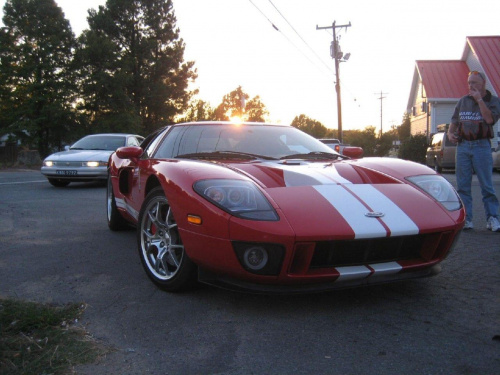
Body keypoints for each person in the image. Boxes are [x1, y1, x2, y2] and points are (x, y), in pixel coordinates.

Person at [447, 70, 500, 231]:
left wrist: (479, 100)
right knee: (463, 185)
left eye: (474, 83)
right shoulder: (463, 101)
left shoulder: (493, 101)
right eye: (469, 83)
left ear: (483, 83)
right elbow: (455, 120)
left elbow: (490, 119)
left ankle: (492, 218)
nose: (471, 86)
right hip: (463, 146)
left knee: (486, 186)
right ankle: (467, 219)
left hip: (481, 146)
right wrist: (450, 133)